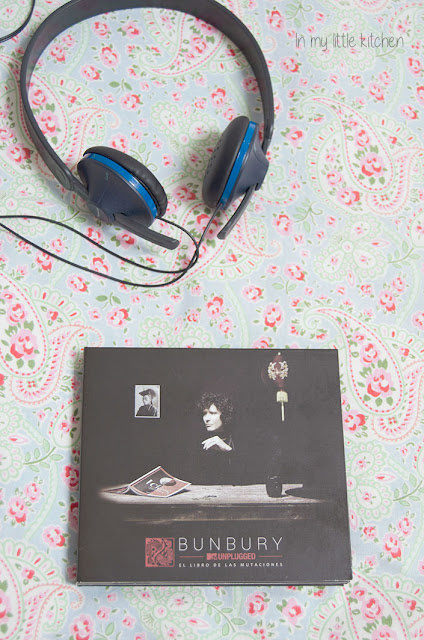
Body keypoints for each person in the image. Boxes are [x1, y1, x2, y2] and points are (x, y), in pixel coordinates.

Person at [192, 392, 236, 484]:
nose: (206, 418)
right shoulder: (198, 441)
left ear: (225, 415)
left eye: (212, 413)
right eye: (205, 413)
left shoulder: (240, 439)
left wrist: (228, 450)